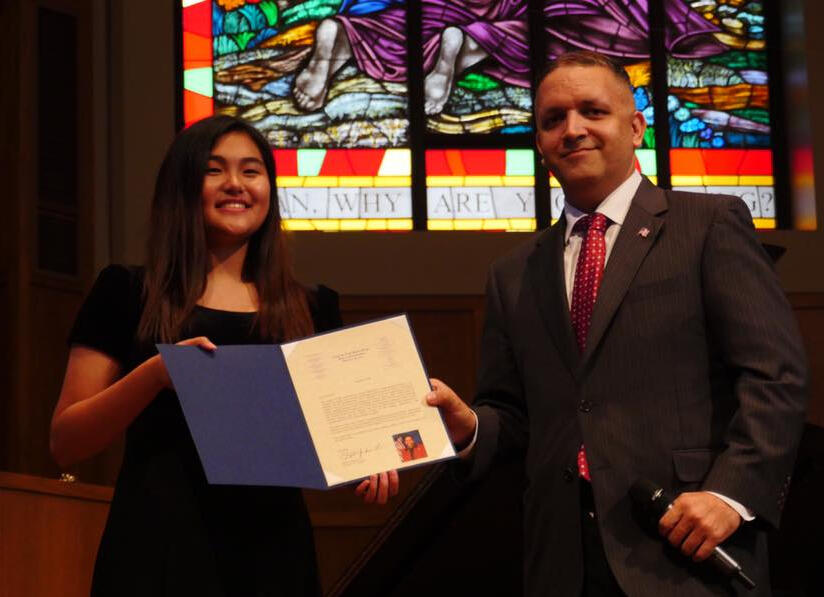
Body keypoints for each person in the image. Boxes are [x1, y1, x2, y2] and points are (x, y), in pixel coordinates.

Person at [427, 51, 808, 596]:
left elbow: (775, 376)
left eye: (593, 111)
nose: (572, 129)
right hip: (562, 560)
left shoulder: (708, 225)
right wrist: (469, 427)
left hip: (686, 545)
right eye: (553, 119)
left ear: (635, 128)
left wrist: (731, 494)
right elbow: (513, 415)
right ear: (540, 144)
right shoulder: (513, 274)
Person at [49, 115, 397, 596]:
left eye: (252, 171)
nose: (236, 184)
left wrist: (372, 457)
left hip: (273, 556)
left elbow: (340, 435)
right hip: (158, 550)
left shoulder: (312, 307)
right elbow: (66, 442)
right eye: (214, 170)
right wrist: (155, 375)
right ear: (182, 186)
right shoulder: (127, 292)